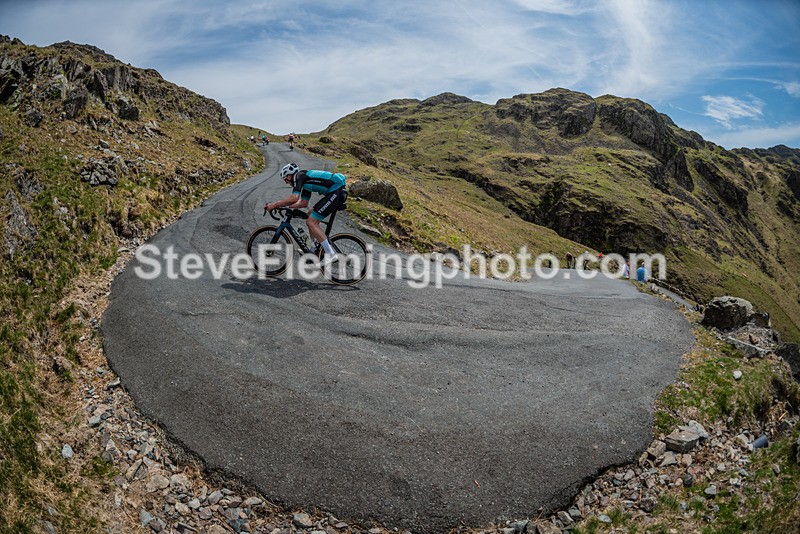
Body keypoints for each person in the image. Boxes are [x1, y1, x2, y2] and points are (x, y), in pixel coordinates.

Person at [264, 163, 347, 266]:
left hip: (335, 191)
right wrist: (285, 207)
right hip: (334, 192)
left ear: (290, 176)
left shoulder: (298, 177)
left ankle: (331, 254)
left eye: (285, 179)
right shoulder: (305, 180)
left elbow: (294, 198)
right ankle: (313, 248)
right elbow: (303, 203)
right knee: (310, 215)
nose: (286, 182)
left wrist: (275, 204)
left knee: (311, 222)